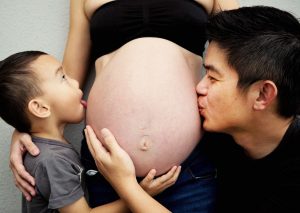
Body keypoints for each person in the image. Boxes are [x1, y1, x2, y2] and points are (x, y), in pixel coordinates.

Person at [9, 0, 239, 212]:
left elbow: (245, 57)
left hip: (186, 170)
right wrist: (28, 126)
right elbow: (67, 80)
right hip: (106, 169)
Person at [84, 6, 300, 213]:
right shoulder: (225, 140)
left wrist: (127, 186)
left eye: (213, 78)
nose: (199, 87)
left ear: (262, 94)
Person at [0, 51, 180, 212]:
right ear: (40, 108)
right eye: (63, 77)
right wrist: (139, 194)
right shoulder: (52, 160)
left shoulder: (51, 151)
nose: (76, 81)